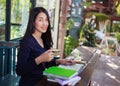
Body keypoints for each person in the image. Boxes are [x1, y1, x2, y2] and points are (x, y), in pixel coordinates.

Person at [16, 7, 75, 86]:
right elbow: (19, 70)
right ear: (33, 22)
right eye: (40, 20)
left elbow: (45, 64)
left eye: (46, 20)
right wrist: (39, 59)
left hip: (43, 80)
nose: (45, 23)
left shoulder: (43, 40)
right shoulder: (27, 42)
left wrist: (59, 61)